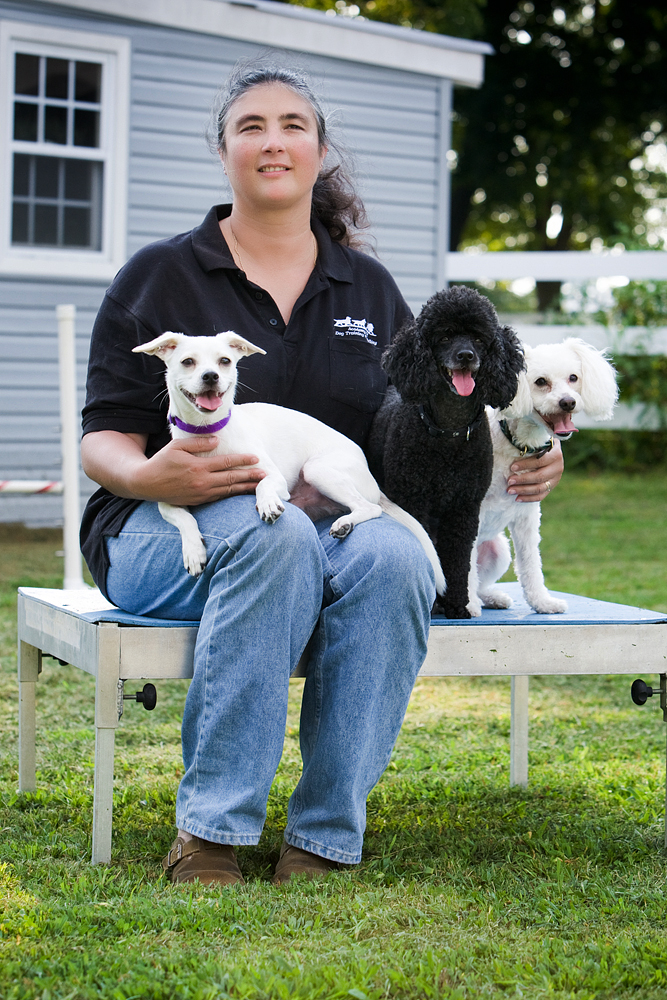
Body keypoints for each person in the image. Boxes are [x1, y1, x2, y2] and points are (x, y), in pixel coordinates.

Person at [80, 65, 564, 886]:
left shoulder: (366, 285)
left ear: (319, 148)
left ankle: (324, 833)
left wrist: (525, 453)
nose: (273, 141)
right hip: (162, 533)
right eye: (251, 126)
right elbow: (102, 441)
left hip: (324, 524)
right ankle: (211, 832)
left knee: (399, 559)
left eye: (292, 125)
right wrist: (155, 477)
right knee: (275, 545)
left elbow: (431, 416)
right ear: (225, 150)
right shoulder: (160, 276)